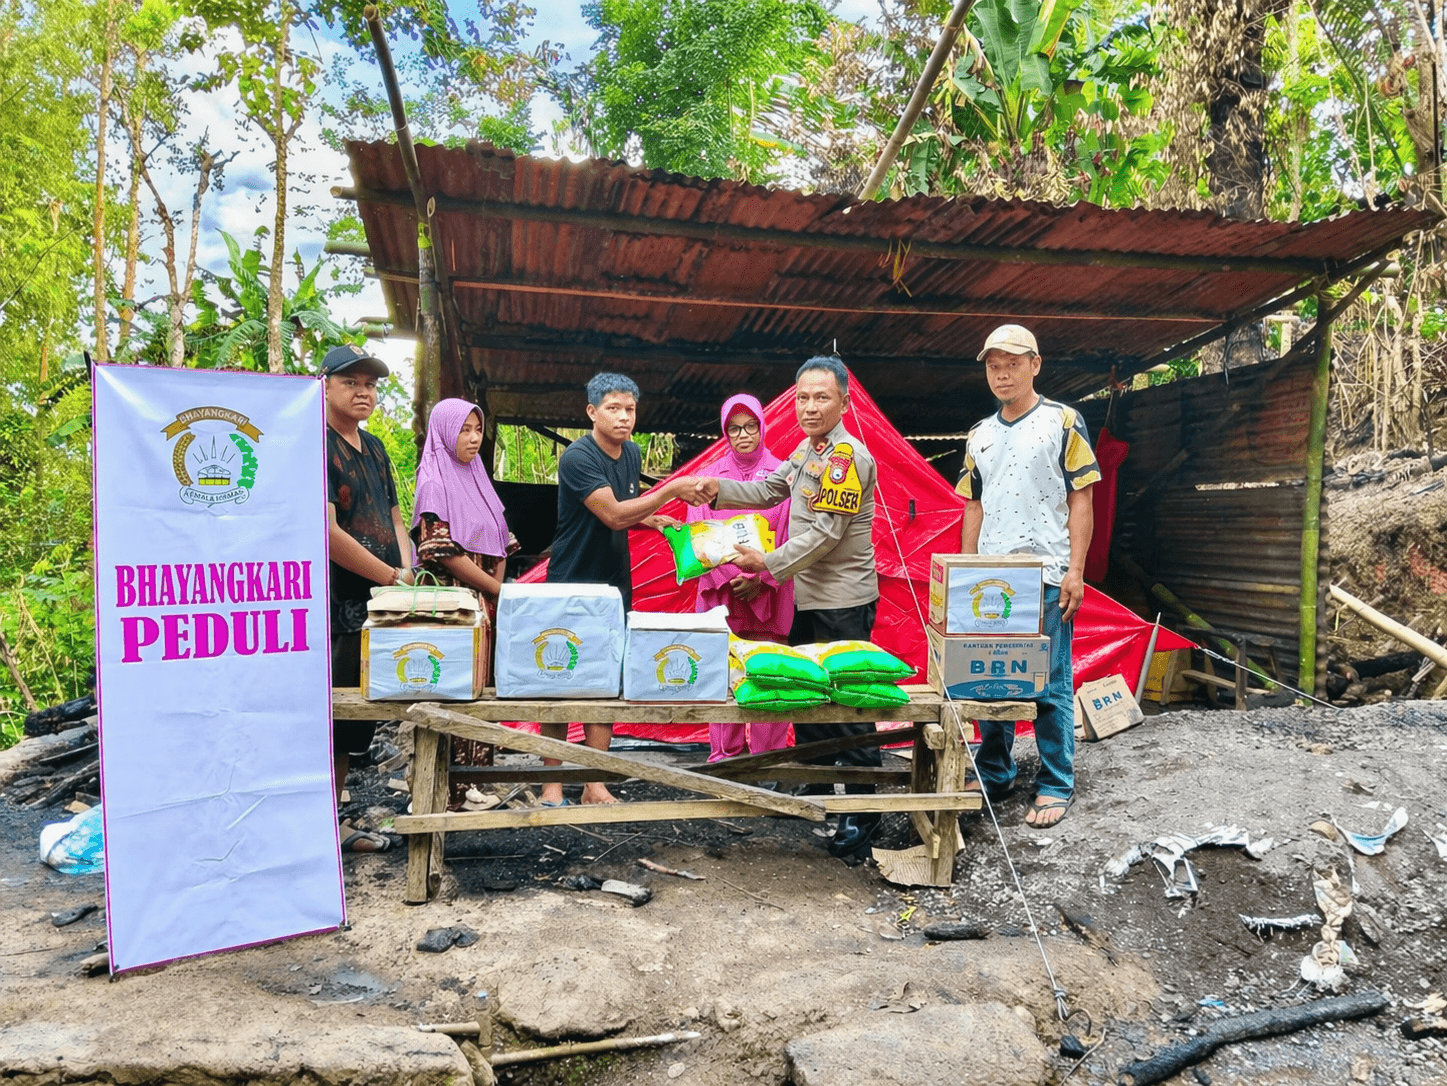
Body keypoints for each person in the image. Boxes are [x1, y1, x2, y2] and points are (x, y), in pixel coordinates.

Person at [686, 356, 882, 860]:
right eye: (802, 397)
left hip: (842, 601)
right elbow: (770, 487)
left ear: (843, 401)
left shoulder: (844, 457)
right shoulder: (808, 450)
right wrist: (719, 489)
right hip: (809, 600)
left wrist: (765, 564)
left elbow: (825, 534)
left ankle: (863, 811)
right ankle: (823, 794)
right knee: (812, 706)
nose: (810, 406)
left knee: (849, 707)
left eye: (821, 397)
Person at [957, 324, 1099, 829]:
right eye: (994, 365)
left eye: (1013, 363)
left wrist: (1075, 571)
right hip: (991, 580)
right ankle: (996, 771)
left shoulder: (1064, 422)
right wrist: (963, 570)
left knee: (1050, 681)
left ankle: (1056, 782)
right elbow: (972, 506)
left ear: (1035, 365)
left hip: (1046, 572)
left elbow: (1082, 498)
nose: (1002, 373)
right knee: (990, 679)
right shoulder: (980, 434)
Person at [542, 373, 695, 806]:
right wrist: (669, 492)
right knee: (557, 682)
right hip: (571, 582)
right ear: (592, 412)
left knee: (606, 681)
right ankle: (551, 785)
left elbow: (624, 510)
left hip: (613, 584)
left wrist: (651, 519)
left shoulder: (631, 453)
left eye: (629, 409)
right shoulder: (577, 457)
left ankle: (594, 783)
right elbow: (610, 514)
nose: (624, 417)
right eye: (613, 408)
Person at [323, 343, 414, 852]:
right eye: (351, 382)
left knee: (360, 717)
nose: (364, 392)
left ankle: (333, 822)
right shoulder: (315, 443)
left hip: (380, 602)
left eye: (371, 384)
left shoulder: (375, 448)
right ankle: (321, 825)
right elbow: (327, 530)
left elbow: (397, 519)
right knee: (332, 712)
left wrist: (406, 572)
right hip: (336, 603)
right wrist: (389, 577)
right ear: (326, 386)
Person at [411, 397, 515, 808]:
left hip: (485, 608)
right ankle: (441, 791)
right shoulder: (435, 480)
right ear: (443, 431)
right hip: (453, 609)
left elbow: (503, 540)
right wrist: (493, 588)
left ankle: (474, 782)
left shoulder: (478, 478)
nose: (472, 439)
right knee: (450, 690)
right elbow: (441, 550)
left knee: (479, 690)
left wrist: (495, 589)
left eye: (477, 430)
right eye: (463, 430)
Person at [686, 394, 793, 762]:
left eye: (750, 426)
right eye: (734, 428)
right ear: (725, 432)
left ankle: (769, 758)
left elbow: (793, 535)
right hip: (722, 592)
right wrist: (734, 576)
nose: (743, 434)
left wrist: (762, 579)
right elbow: (695, 535)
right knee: (722, 673)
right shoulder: (707, 481)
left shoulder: (784, 475)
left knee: (771, 675)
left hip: (770, 590)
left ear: (762, 427)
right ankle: (725, 757)